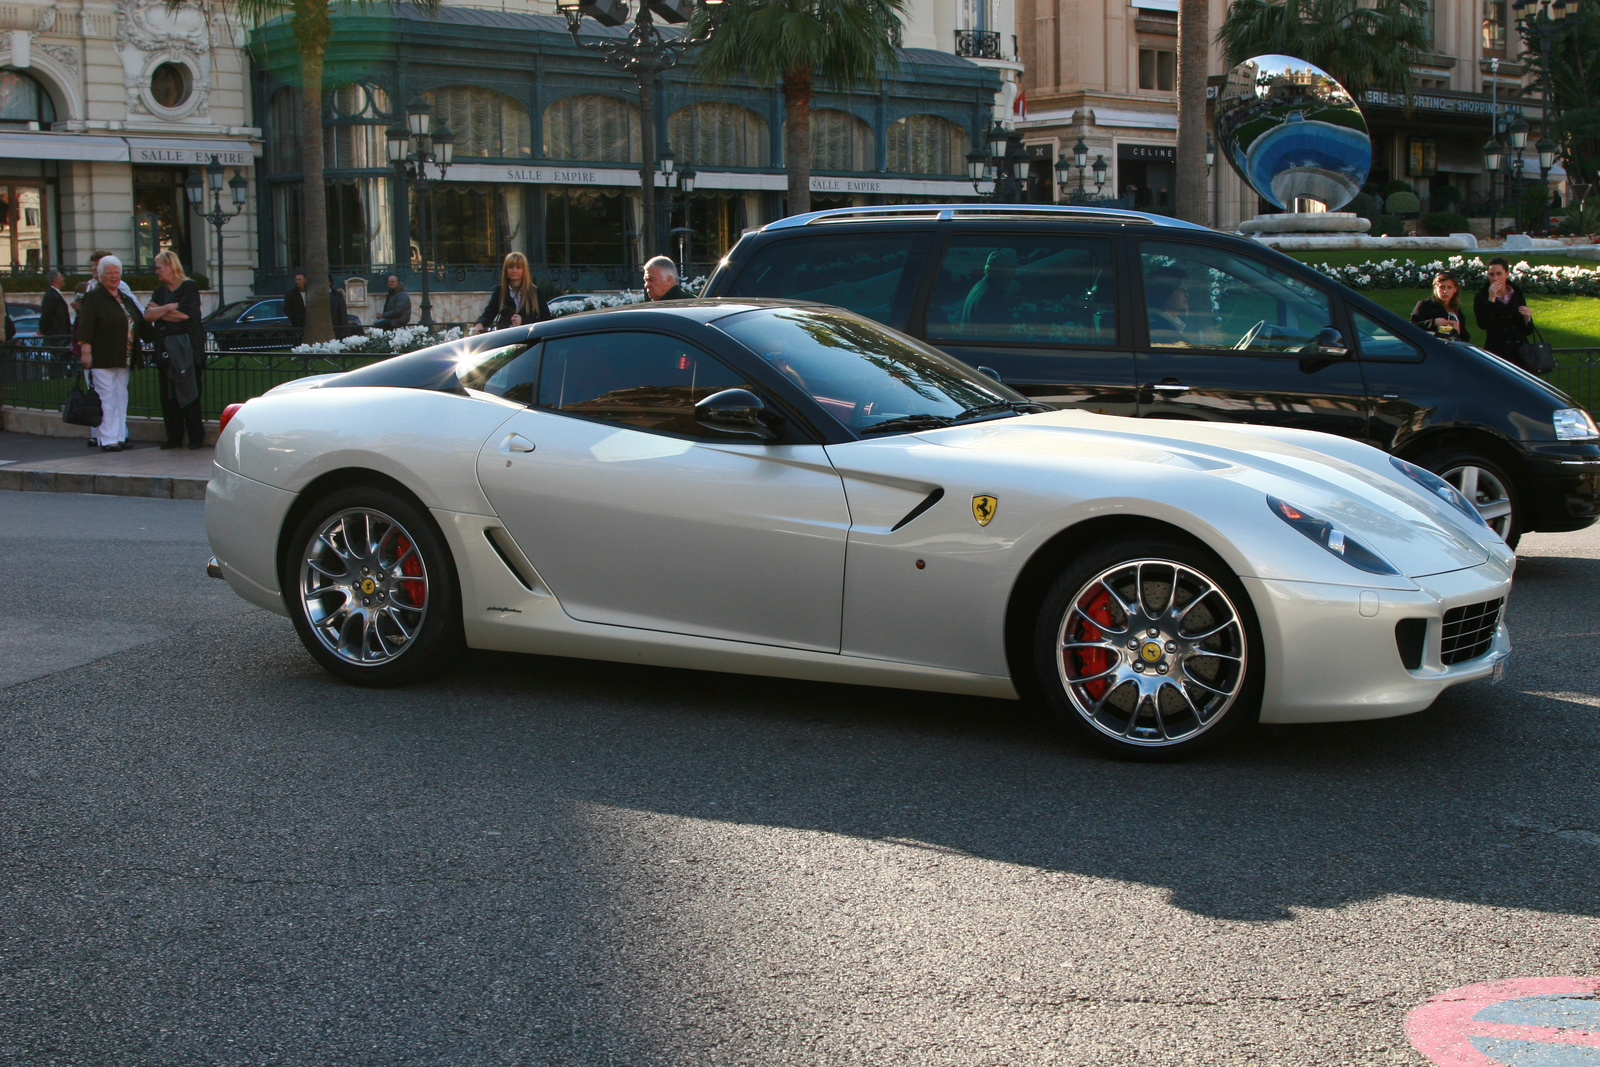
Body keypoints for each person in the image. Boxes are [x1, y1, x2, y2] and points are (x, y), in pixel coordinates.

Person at [75, 255, 150, 453]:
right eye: (109, 273)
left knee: (121, 396)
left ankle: (119, 435)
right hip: (102, 355)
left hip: (123, 356)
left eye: (117, 273)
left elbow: (139, 319)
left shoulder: (123, 297)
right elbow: (86, 326)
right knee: (106, 397)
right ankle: (107, 438)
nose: (114, 276)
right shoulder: (95, 296)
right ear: (101, 275)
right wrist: (86, 352)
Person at [145, 250, 207, 450]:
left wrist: (160, 312)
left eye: (159, 267)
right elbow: (148, 315)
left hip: (187, 349)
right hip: (165, 349)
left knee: (190, 392)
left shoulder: (189, 287)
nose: (156, 272)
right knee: (168, 395)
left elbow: (185, 316)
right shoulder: (160, 292)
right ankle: (173, 436)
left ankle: (195, 437)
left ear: (170, 267)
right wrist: (168, 308)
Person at [1473, 256, 1534, 368]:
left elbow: (1528, 331)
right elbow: (1483, 324)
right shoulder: (1481, 297)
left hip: (1519, 353)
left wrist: (1527, 319)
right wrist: (1491, 300)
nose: (1495, 278)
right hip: (1497, 352)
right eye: (1492, 274)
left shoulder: (1516, 294)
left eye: (1499, 273)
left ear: (1507, 274)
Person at [474, 252, 549, 332]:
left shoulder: (535, 292)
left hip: (528, 338)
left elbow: (546, 320)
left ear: (525, 270)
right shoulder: (500, 291)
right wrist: (479, 324)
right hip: (505, 338)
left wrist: (523, 321)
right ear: (506, 270)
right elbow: (489, 314)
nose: (514, 270)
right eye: (510, 267)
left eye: (518, 267)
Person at [959, 249, 1017, 329]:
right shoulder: (990, 295)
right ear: (999, 270)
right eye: (1010, 270)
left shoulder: (980, 286)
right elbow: (993, 333)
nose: (1013, 275)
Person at [1410, 271, 1471, 342]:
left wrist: (1459, 330)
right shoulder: (1424, 305)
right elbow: (1411, 328)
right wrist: (1433, 322)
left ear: (1455, 290)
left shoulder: (1456, 310)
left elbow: (1466, 339)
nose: (1445, 291)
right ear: (1436, 288)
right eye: (1442, 287)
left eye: (1449, 287)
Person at [1144, 265, 1193, 345]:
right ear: (1165, 293)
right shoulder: (1159, 329)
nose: (1187, 295)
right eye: (1182, 290)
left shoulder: (1165, 325)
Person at [38, 269, 72, 341]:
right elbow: (46, 314)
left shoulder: (55, 294)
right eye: (61, 277)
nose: (63, 279)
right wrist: (43, 330)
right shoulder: (51, 295)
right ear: (54, 279)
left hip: (60, 334)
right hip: (56, 335)